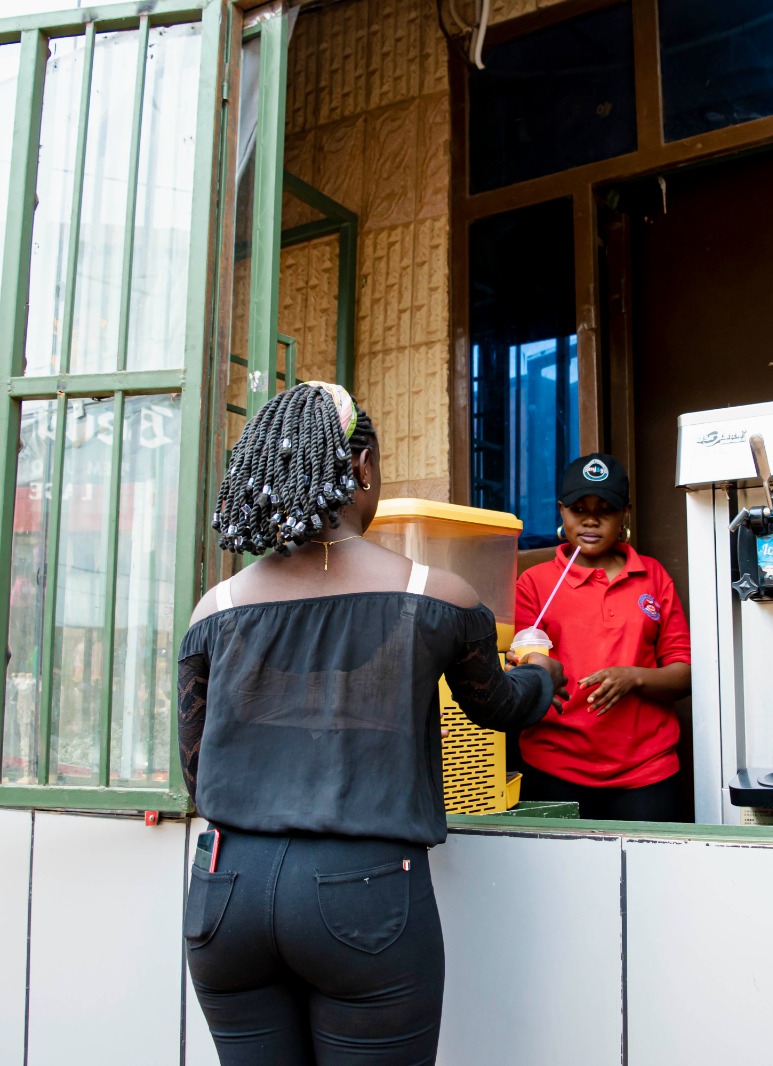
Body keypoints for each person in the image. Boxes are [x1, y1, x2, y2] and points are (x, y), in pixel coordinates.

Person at [178, 382, 567, 1065]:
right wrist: (542, 667)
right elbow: (500, 709)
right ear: (361, 469)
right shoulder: (437, 596)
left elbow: (195, 764)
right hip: (362, 898)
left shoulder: (216, 607)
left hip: (224, 893)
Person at [513, 453, 692, 821]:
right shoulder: (535, 583)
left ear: (625, 513)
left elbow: (685, 672)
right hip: (553, 767)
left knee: (649, 877)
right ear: (562, 512)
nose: (591, 519)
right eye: (579, 509)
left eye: (605, 509)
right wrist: (538, 667)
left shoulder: (653, 577)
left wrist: (634, 677)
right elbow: (521, 660)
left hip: (647, 773)